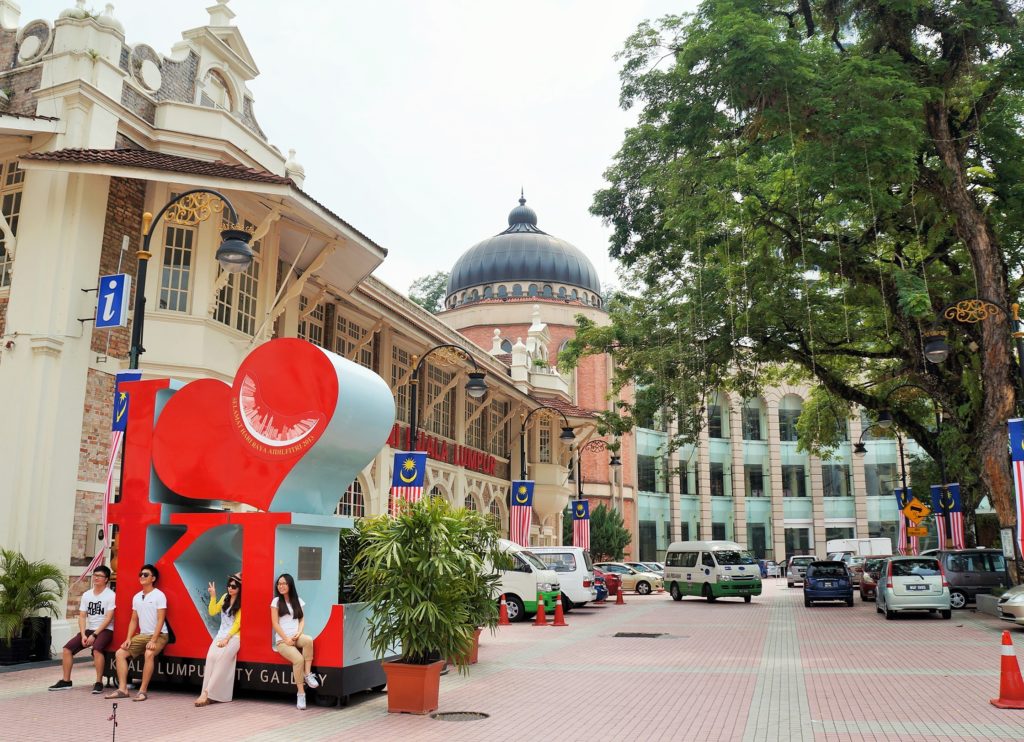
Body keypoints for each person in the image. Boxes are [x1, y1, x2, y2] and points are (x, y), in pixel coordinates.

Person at [105, 563, 168, 702]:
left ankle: (142, 691)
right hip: (143, 635)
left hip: (160, 635)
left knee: (149, 653)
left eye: (146, 575)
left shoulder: (159, 595)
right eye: (141, 574)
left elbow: (160, 619)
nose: (142, 577)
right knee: (120, 653)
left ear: (153, 578)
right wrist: (128, 638)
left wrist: (153, 640)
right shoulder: (137, 597)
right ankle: (123, 689)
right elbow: (134, 620)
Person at [49, 566, 116, 693]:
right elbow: (82, 616)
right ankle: (66, 681)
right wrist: (84, 634)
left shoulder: (111, 596)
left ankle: (98, 682)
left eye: (100, 576)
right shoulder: (87, 595)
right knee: (67, 649)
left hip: (106, 630)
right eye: (95, 575)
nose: (96, 578)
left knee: (97, 649)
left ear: (106, 579)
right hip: (90, 629)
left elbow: (108, 618)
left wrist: (95, 635)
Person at [270, 573, 318, 710]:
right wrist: (286, 639)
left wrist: (299, 632)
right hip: (283, 641)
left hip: (296, 637)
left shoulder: (298, 600)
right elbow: (275, 623)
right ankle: (301, 693)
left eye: (284, 583)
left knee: (308, 640)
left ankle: (308, 674)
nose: (281, 586)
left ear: (290, 585)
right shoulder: (276, 602)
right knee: (298, 660)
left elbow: (302, 619)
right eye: (279, 584)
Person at [195, 573, 242, 707]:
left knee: (222, 661)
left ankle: (206, 693)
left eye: (234, 586)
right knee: (210, 658)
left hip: (235, 637)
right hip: (221, 635)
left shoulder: (242, 602)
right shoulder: (224, 597)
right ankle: (209, 694)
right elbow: (212, 611)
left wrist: (227, 638)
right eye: (229, 585)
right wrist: (213, 596)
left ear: (240, 588)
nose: (230, 588)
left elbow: (238, 623)